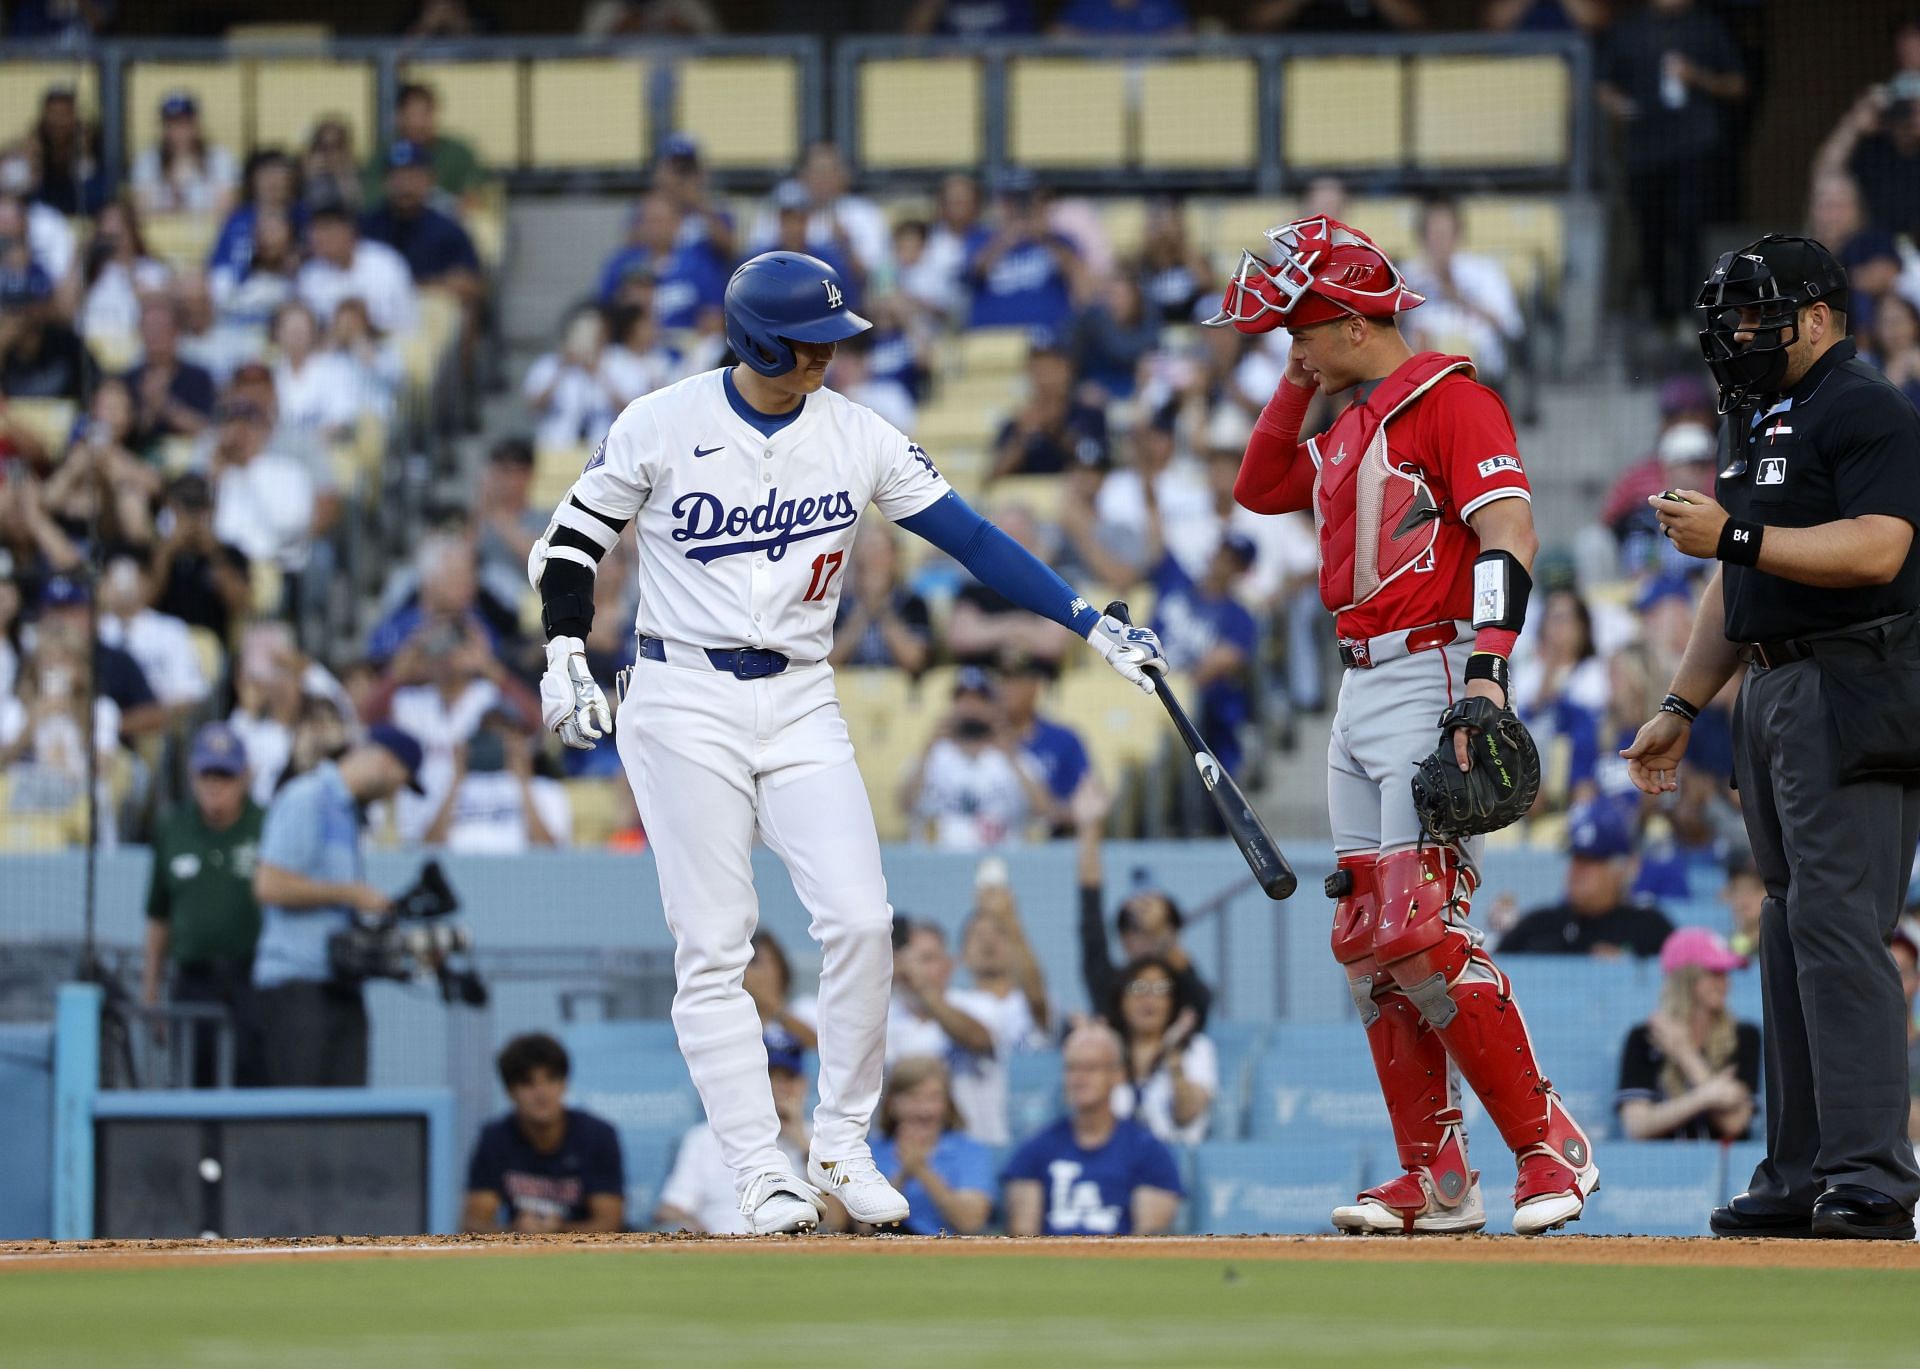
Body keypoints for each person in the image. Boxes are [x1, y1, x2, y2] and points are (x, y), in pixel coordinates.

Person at [525, 247, 1166, 1234]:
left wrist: (1087, 620)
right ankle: (756, 1167)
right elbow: (570, 541)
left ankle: (838, 1140)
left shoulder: (859, 434)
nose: (829, 360)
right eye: (809, 345)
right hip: (681, 691)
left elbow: (975, 541)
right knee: (714, 944)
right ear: (754, 340)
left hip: (800, 694)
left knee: (865, 921)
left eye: (835, 341)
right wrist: (565, 643)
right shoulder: (662, 420)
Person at [1218, 214, 1598, 1235]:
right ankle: (1435, 1176)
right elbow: (1257, 486)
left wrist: (1488, 672)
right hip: (1360, 681)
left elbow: (1508, 529)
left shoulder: (1450, 399)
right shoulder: (1349, 418)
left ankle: (1545, 1137)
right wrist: (1304, 377)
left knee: (1420, 929)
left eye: (1301, 324)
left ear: (1349, 321)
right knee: (1367, 938)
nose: (1287, 342)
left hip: (1433, 664)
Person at [1625, 234, 1920, 1241]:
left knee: (1839, 928)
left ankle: (1873, 1175)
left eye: (1760, 313)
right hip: (1770, 681)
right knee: (1789, 932)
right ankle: (1800, 1171)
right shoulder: (1755, 413)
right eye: (1734, 313)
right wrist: (1679, 704)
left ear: (1824, 316)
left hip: (1852, 679)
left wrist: (1735, 536)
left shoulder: (1865, 404)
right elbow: (1733, 579)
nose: (1740, 332)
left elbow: (1881, 545)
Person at [250, 726, 425, 1088]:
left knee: (346, 1122)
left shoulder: (348, 816)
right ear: (385, 763)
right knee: (300, 1123)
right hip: (296, 985)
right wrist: (350, 894)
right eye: (400, 781)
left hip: (339, 986)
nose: (394, 794)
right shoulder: (307, 798)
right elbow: (269, 885)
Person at [1596, 0, 1747, 329]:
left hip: (1694, 146)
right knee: (1651, 231)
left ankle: (1689, 310)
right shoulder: (1629, 29)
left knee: (1688, 226)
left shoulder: (1705, 26)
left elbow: (1737, 84)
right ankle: (1659, 313)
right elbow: (1603, 85)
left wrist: (1698, 77)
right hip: (1644, 150)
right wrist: (1619, 106)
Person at [141, 722, 265, 1087]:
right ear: (193, 775)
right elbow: (158, 916)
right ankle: (204, 1148)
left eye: (224, 775)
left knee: (255, 1081)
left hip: (252, 979)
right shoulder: (173, 828)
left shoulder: (265, 825)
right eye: (207, 774)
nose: (215, 785)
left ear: (244, 777)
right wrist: (151, 989)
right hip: (193, 981)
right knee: (195, 1083)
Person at [1001, 1022, 1182, 1237]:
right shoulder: (1035, 1150)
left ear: (1117, 1075)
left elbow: (1148, 1240)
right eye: (1072, 1068)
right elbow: (1023, 1237)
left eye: (1091, 1068)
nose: (1079, 1078)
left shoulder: (1148, 1151)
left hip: (1120, 1265)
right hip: (1050, 1265)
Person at [1076, 786, 1214, 1031]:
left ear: (1173, 932)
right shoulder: (1110, 989)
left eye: (1156, 924)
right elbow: (1091, 920)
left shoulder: (1182, 994)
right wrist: (1089, 830)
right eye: (1132, 926)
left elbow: (1202, 1004)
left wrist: (1162, 938)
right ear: (1123, 939)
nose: (1142, 935)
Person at [463, 1033, 625, 1234]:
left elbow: (611, 1224)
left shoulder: (599, 1136)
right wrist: (514, 1231)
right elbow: (472, 1225)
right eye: (528, 1083)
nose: (541, 1092)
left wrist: (559, 1230)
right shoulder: (494, 1138)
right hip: (520, 1255)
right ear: (510, 1091)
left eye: (551, 1079)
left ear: (564, 1084)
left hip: (586, 1257)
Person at [1617, 928, 1761, 1142]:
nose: (1725, 983)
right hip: (1661, 1167)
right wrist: (1707, 1096)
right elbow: (1637, 1126)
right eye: (1714, 973)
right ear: (1685, 980)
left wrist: (1686, 1055)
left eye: (1725, 974)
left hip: (1729, 1169)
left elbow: (1735, 1123)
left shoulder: (1744, 1035)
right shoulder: (1645, 1037)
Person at [1499, 800, 1677, 958]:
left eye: (1591, 861)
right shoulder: (1537, 926)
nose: (1576, 870)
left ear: (1623, 869)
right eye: (1576, 858)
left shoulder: (1650, 929)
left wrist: (1626, 973)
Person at [904, 667, 1049, 850]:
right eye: (963, 699)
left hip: (999, 862)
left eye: (978, 700)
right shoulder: (935, 753)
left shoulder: (1011, 755)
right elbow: (906, 803)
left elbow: (1043, 809)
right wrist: (928, 749)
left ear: (992, 707)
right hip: (939, 862)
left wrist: (1011, 754)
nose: (970, 707)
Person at [867, 1056, 995, 1236]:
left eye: (933, 1098)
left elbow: (971, 1222)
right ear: (891, 1104)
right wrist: (903, 1174)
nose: (924, 1110)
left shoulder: (969, 1152)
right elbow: (864, 1227)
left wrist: (921, 1170)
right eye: (913, 1098)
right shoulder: (868, 1152)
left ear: (948, 1105)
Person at [1108, 956, 1216, 1146]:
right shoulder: (1106, 1050)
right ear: (1121, 998)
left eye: (1160, 990)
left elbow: (1186, 1115)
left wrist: (1174, 1062)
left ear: (1173, 1002)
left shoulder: (1196, 1048)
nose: (1148, 999)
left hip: (1173, 1158)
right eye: (1138, 988)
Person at [295, 200, 418, 338]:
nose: (317, 237)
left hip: (388, 345)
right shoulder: (309, 274)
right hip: (330, 350)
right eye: (314, 229)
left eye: (326, 228)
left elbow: (397, 324)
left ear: (349, 230)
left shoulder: (385, 263)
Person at [130, 92, 237, 220]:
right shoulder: (147, 161)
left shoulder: (220, 158)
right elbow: (141, 214)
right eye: (171, 125)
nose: (177, 132)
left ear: (196, 126)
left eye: (183, 124)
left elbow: (226, 212)